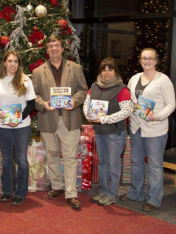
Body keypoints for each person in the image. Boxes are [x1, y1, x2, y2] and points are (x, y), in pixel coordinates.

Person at [32, 35, 88, 210]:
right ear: (47, 50)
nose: (54, 49)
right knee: (52, 154)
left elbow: (83, 90)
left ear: (63, 48)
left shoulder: (75, 68)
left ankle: (71, 193)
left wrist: (74, 101)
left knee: (70, 157)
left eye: (57, 45)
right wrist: (43, 104)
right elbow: (33, 96)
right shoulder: (38, 71)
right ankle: (57, 186)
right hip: (48, 119)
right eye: (50, 46)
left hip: (69, 120)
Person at [120, 48, 175, 212]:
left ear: (156, 60)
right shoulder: (135, 78)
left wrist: (157, 115)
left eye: (150, 58)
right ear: (140, 60)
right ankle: (136, 193)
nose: (147, 61)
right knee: (136, 162)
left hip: (155, 130)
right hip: (136, 128)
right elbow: (130, 101)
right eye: (144, 58)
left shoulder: (163, 80)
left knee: (154, 165)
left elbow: (171, 104)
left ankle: (153, 198)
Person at [0, 50, 36, 205]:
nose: (12, 64)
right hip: (2, 125)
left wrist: (19, 119)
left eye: (16, 61)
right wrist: (0, 113)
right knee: (6, 159)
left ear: (19, 64)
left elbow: (31, 104)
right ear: (4, 63)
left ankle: (21, 193)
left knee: (22, 159)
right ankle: (7, 191)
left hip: (21, 126)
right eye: (10, 61)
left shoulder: (25, 80)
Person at [83, 57, 132, 206]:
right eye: (104, 69)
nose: (107, 72)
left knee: (113, 165)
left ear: (115, 71)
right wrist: (88, 114)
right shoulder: (95, 86)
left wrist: (105, 119)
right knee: (102, 163)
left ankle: (112, 193)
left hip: (115, 133)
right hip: (100, 132)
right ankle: (104, 190)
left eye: (110, 69)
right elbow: (87, 103)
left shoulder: (122, 89)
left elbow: (126, 111)